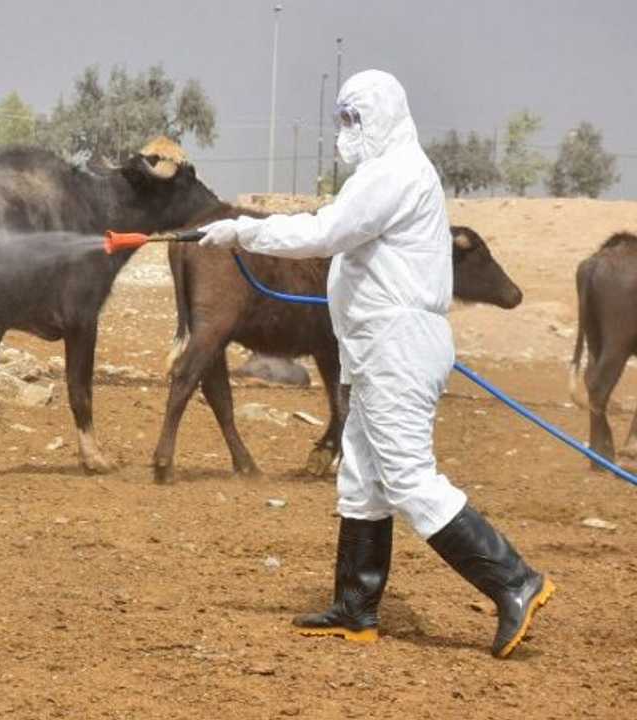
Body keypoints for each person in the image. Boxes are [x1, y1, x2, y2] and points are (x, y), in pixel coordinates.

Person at [198, 69, 554, 659]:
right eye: (342, 119)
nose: (346, 132)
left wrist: (243, 230)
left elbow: (328, 230)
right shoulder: (384, 174)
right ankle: (356, 607)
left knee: (410, 477)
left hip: (397, 345)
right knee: (362, 478)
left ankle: (514, 579)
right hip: (374, 346)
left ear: (385, 114)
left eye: (355, 119)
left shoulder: (395, 173)